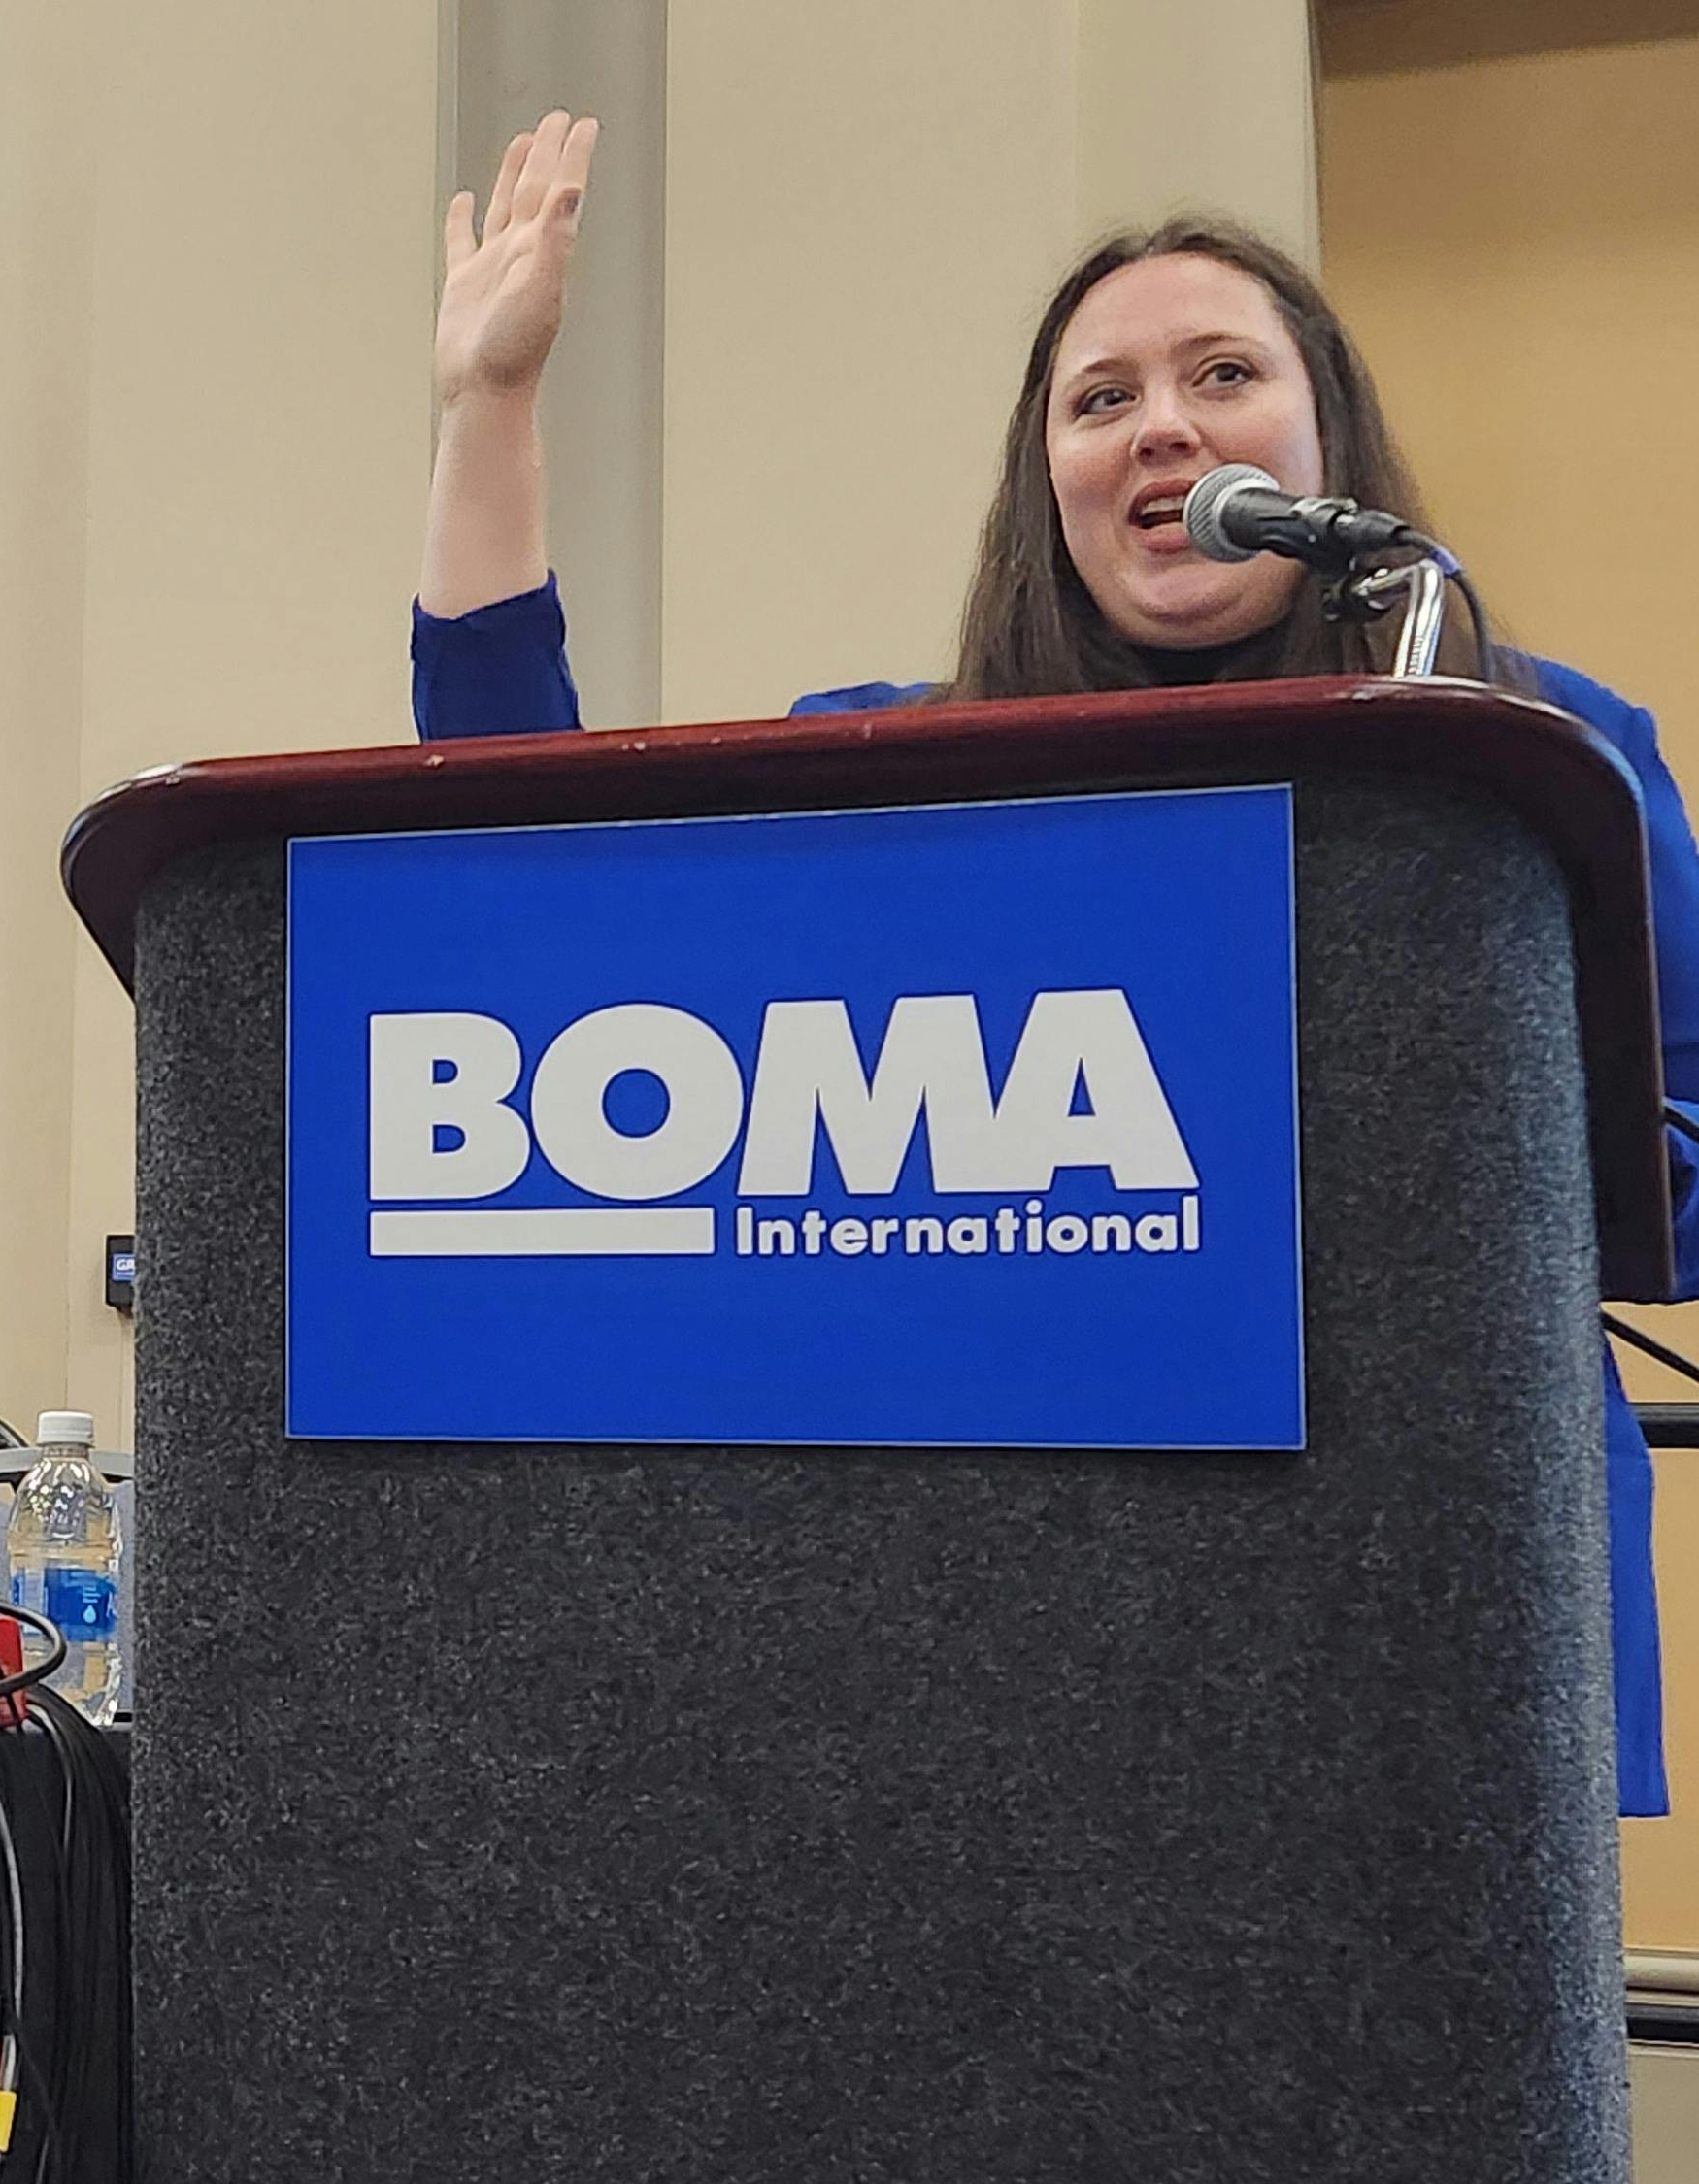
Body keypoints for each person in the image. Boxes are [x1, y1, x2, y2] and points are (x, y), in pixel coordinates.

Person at [413, 111, 1699, 1816]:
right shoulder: (898, 772)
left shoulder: (1532, 749)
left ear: (1325, 443)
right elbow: (533, 866)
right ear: (1050, 484)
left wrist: (1463, 1153)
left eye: (1223, 375)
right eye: (1102, 401)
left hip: (1438, 1568)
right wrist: (486, 409)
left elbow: (1682, 1153)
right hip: (1010, 1570)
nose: (1164, 426)